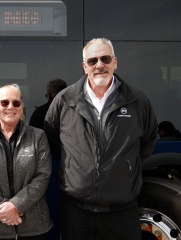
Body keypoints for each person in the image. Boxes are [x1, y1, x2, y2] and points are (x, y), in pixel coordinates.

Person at [44, 38, 158, 240]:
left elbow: (147, 141)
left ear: (115, 62)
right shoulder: (64, 100)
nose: (99, 65)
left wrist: (126, 166)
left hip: (122, 209)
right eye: (92, 60)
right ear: (84, 66)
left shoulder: (137, 101)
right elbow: (53, 139)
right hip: (76, 209)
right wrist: (72, 165)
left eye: (105, 59)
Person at [0, 84, 53, 240]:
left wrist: (16, 205)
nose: (10, 107)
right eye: (4, 102)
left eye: (16, 103)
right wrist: (3, 209)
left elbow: (43, 176)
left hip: (34, 226)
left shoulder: (38, 137)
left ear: (21, 108)